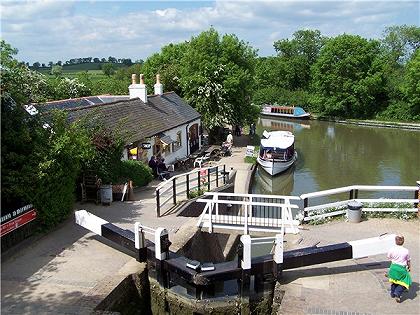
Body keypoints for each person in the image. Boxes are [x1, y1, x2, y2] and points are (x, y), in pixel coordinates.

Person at [387, 235, 412, 303]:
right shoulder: (406, 251)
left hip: (393, 267)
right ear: (403, 241)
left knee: (395, 281)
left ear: (395, 241)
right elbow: (408, 261)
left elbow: (388, 257)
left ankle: (392, 293)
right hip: (401, 269)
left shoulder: (391, 249)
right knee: (406, 282)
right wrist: (409, 267)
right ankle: (397, 293)